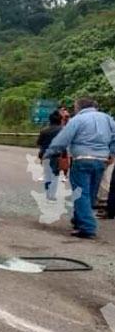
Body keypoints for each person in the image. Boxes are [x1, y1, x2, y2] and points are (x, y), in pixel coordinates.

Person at [45, 97, 115, 238]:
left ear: (79, 107)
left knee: (81, 193)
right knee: (91, 193)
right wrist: (111, 153)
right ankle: (79, 219)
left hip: (82, 159)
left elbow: (63, 139)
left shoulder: (77, 120)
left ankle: (87, 227)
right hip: (101, 160)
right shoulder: (108, 119)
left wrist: (49, 152)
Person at [36, 110, 63, 201]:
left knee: (47, 175)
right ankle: (52, 194)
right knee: (55, 175)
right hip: (57, 155)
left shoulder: (44, 130)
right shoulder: (63, 130)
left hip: (46, 155)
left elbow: (39, 143)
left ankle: (48, 193)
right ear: (60, 120)